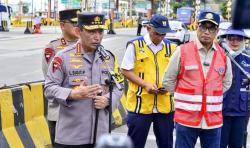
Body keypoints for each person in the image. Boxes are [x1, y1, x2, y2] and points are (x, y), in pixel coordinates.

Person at [44, 12, 123, 147]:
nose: (97, 37)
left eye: (100, 31)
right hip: (72, 137)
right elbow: (49, 88)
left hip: (101, 136)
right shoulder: (63, 57)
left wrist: (108, 100)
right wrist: (72, 94)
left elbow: (119, 86)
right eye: (91, 32)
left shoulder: (108, 58)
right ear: (78, 31)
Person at [162, 11, 232, 148]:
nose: (206, 31)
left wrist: (212, 94)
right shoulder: (182, 51)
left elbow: (227, 82)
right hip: (186, 120)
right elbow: (168, 81)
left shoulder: (223, 55)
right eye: (203, 27)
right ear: (196, 27)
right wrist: (183, 98)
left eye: (211, 28)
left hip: (213, 121)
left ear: (217, 31)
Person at [121, 14, 176, 148]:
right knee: (135, 144)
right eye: (157, 33)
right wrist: (145, 84)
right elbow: (125, 70)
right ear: (148, 28)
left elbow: (178, 73)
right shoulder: (135, 45)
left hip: (165, 105)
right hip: (140, 105)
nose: (161, 37)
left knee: (166, 144)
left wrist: (169, 87)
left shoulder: (172, 48)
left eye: (164, 34)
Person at [42, 8, 80, 146]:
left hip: (83, 113)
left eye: (80, 23)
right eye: (74, 23)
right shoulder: (53, 48)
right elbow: (50, 81)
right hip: (59, 112)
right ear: (62, 25)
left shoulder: (88, 46)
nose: (78, 26)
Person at [219, 27, 250, 148]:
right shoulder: (219, 57)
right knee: (219, 144)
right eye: (231, 38)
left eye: (238, 39)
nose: (234, 42)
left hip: (241, 112)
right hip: (220, 111)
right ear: (226, 39)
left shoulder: (248, 59)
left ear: (243, 41)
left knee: (237, 145)